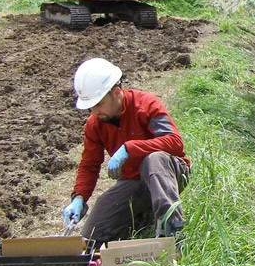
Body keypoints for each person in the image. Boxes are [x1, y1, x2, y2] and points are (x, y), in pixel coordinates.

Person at [62, 57, 191, 245]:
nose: (94, 112)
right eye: (90, 107)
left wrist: (130, 148)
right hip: (133, 182)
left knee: (154, 159)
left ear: (116, 93)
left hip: (169, 173)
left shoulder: (146, 104)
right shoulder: (95, 125)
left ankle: (172, 232)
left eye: (98, 104)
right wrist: (79, 198)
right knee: (92, 234)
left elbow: (174, 142)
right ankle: (143, 216)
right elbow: (89, 165)